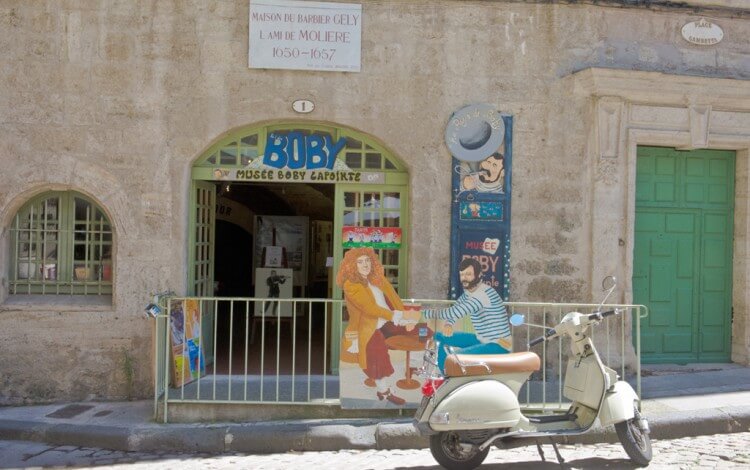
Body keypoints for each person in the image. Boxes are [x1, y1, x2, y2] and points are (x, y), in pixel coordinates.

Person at [337, 247, 424, 405]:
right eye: (360, 262)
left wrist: (408, 317)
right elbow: (369, 309)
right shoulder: (351, 285)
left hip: (389, 322)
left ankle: (412, 368)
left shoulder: (378, 279)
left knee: (424, 331)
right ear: (352, 266)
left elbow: (393, 298)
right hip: (368, 328)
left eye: (367, 260)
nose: (365, 264)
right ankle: (384, 392)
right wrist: (398, 316)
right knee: (378, 351)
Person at [422, 258, 512, 372]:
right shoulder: (468, 293)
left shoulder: (483, 294)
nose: (464, 278)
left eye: (468, 274)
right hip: (482, 339)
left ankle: (449, 374)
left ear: (479, 274)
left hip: (498, 345)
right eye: (462, 274)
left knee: (452, 359)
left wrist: (422, 313)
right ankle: (445, 374)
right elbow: (457, 309)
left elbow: (453, 312)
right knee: (438, 336)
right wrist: (449, 324)